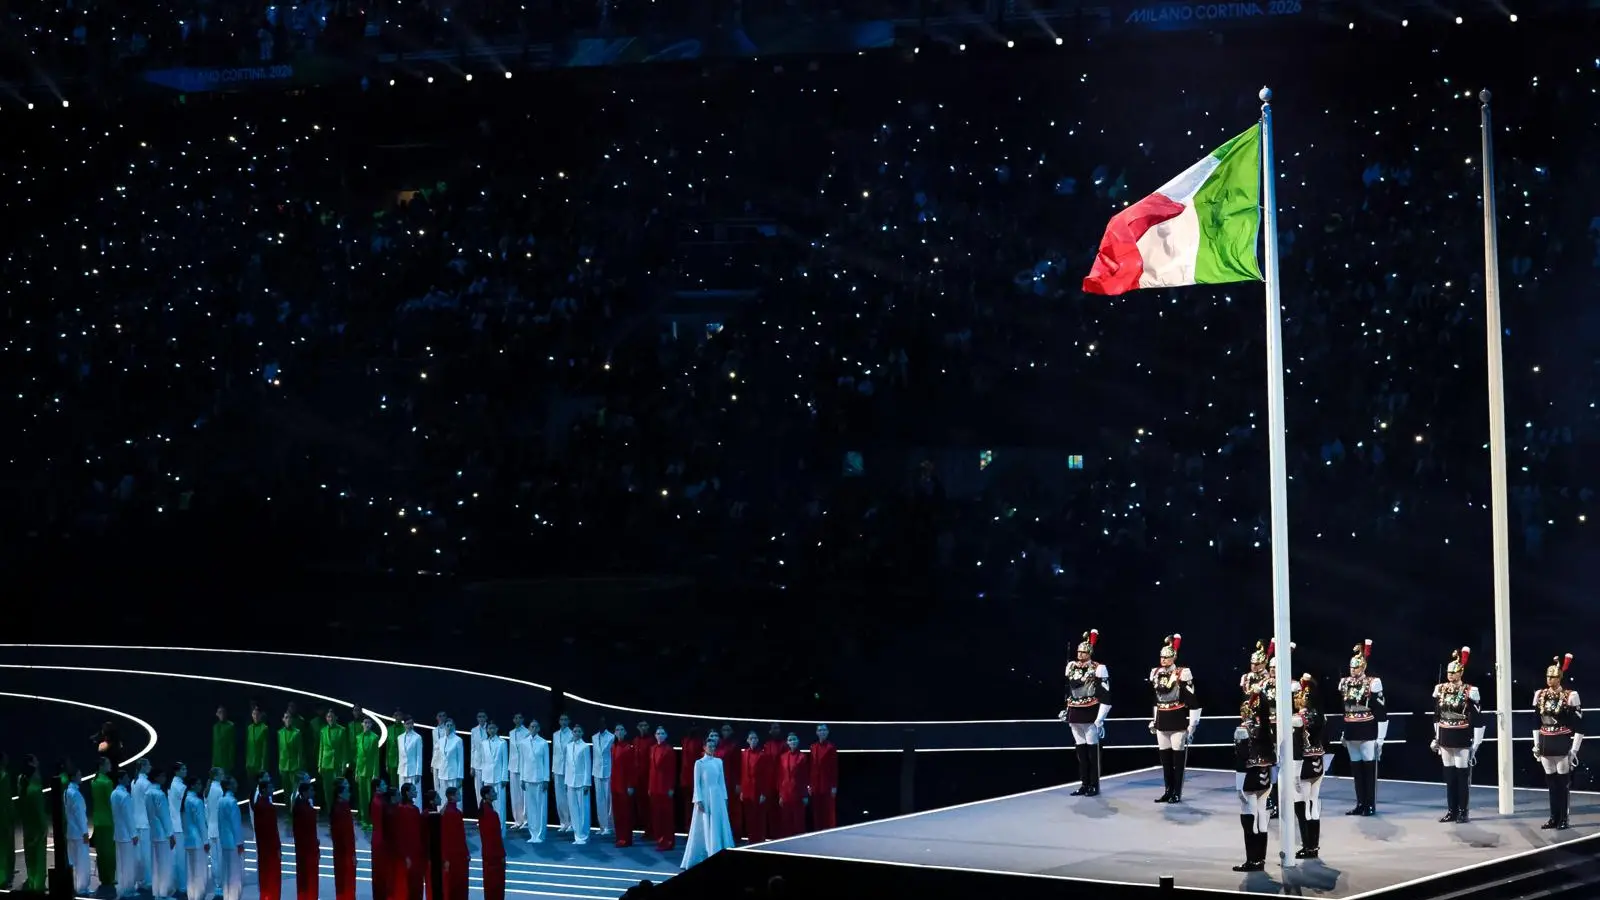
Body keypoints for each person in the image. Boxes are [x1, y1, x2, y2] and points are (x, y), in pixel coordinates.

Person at [1432, 646, 1485, 823]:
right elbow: (1436, 716)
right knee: (1449, 776)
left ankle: (1463, 811)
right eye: (1449, 672)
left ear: (1460, 672)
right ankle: (1451, 810)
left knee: (1462, 776)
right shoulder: (1440, 689)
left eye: (1454, 672)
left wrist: (1476, 744)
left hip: (1462, 736)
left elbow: (1478, 719)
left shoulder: (1470, 691)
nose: (1450, 675)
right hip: (1445, 736)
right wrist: (1437, 738)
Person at [1058, 630, 1112, 798]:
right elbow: (1070, 690)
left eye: (1083, 652)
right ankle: (1084, 783)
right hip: (1075, 711)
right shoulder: (1071, 666)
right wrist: (1066, 710)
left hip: (1090, 711)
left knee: (1092, 751)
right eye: (1079, 651)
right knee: (1080, 751)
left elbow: (1106, 696)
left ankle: (1094, 785)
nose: (1080, 654)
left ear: (1089, 652)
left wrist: (1100, 719)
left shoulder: (1098, 668)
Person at [1148, 634, 1200, 803]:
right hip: (1162, 719)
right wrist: (1154, 720)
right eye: (1161, 657)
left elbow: (1193, 702)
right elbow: (1156, 700)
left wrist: (1192, 725)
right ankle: (1167, 790)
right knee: (1165, 760)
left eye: (1167, 657)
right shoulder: (1155, 673)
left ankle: (1177, 792)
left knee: (1178, 761)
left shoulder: (1182, 673)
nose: (1163, 660)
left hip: (1177, 719)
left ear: (1173, 657)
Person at [1534, 653, 1582, 830]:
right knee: (1551, 783)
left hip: (1562, 741)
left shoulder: (1570, 695)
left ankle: (1563, 818)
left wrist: (1574, 750)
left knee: (1562, 783)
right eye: (1547, 676)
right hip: (1546, 740)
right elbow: (1535, 722)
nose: (1549, 679)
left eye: (1552, 676)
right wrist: (1536, 743)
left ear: (1559, 677)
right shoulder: (1540, 695)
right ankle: (1553, 817)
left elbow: (1579, 726)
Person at [1340, 639, 1387, 816]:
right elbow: (1343, 708)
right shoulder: (1344, 683)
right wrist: (1344, 732)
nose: (1353, 670)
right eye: (1351, 667)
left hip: (1367, 729)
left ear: (1363, 667)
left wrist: (1381, 738)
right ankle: (1360, 803)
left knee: (1368, 768)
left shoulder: (1373, 683)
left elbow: (1381, 711)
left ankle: (1370, 804)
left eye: (1356, 667)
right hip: (1351, 730)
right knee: (1356, 770)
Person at [1232, 691, 1274, 873]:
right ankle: (1260, 860)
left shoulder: (1243, 730)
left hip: (1249, 779)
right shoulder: (1267, 727)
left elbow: (1241, 759)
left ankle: (1252, 860)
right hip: (1265, 776)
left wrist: (1238, 786)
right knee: (1262, 818)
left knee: (1249, 818)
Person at [681, 734, 735, 870]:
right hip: (705, 796)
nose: (711, 748)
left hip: (717, 797)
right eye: (709, 746)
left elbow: (721, 782)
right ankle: (706, 853)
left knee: (718, 823)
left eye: (713, 746)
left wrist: (725, 797)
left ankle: (718, 851)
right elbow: (697, 783)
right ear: (704, 747)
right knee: (705, 824)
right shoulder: (699, 763)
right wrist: (698, 799)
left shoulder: (719, 762)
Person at [1292, 674, 1329, 859]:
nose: (1296, 698)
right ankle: (1313, 846)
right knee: (1313, 803)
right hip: (1318, 761)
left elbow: (1296, 746)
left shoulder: (1298, 719)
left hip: (1303, 765)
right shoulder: (1321, 715)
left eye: (1299, 695)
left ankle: (1308, 846)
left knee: (1302, 805)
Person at [738, 730, 773, 843]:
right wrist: (742, 791)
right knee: (749, 817)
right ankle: (751, 839)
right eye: (751, 738)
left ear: (758, 740)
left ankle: (760, 839)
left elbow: (767, 775)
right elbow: (742, 772)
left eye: (755, 738)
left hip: (759, 790)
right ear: (748, 740)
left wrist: (764, 792)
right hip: (747, 790)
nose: (753, 740)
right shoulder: (744, 754)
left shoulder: (763, 755)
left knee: (760, 817)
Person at [146, 768, 175, 898]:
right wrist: (170, 834)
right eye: (162, 775)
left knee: (156, 865)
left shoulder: (148, 792)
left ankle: (157, 892)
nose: (164, 778)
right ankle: (163, 893)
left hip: (153, 832)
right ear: (156, 777)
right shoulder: (159, 794)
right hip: (163, 834)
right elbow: (164, 816)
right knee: (164, 865)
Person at [521, 718, 551, 843]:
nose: (533, 729)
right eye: (531, 726)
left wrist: (546, 779)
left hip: (539, 778)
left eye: (535, 727)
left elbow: (546, 762)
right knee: (531, 807)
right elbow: (522, 762)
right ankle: (532, 834)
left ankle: (540, 834)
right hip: (528, 778)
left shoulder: (543, 743)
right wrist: (522, 778)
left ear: (538, 729)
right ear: (529, 728)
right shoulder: (523, 743)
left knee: (540, 807)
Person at [18, 758, 47, 891]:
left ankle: (32, 882)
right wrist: (44, 828)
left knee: (30, 858)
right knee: (39, 858)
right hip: (37, 829)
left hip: (27, 827)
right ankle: (39, 886)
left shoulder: (22, 784)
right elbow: (40, 811)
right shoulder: (35, 789)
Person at [390, 785, 423, 900]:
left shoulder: (414, 809)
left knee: (416, 882)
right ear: (407, 793)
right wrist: (405, 855)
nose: (416, 792)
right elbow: (399, 833)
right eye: (413, 790)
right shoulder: (402, 810)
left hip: (416, 850)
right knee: (408, 883)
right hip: (408, 851)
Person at [253, 775, 282, 900]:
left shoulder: (263, 804)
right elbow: (271, 829)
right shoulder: (265, 806)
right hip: (268, 847)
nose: (273, 789)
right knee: (270, 875)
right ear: (264, 789)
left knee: (267, 875)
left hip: (265, 846)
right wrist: (277, 846)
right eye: (270, 787)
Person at [648, 726, 677, 850]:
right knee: (657, 815)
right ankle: (660, 840)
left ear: (666, 735)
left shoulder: (669, 750)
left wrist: (671, 787)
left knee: (667, 816)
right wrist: (650, 786)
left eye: (662, 733)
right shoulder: (652, 748)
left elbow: (672, 770)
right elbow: (651, 769)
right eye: (658, 733)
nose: (660, 735)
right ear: (655, 735)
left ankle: (668, 841)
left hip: (665, 787)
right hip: (654, 786)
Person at [111, 768, 139, 898]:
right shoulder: (125, 796)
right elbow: (128, 817)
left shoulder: (114, 794)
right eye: (126, 777)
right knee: (128, 864)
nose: (128, 779)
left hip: (118, 833)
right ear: (120, 779)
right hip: (127, 835)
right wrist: (133, 834)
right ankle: (128, 890)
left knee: (121, 863)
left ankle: (121, 888)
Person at [564, 724, 594, 844]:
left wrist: (587, 783)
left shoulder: (585, 746)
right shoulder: (569, 746)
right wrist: (566, 781)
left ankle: (584, 835)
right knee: (573, 809)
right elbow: (567, 765)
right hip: (571, 781)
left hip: (582, 782)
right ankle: (577, 834)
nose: (576, 733)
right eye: (575, 731)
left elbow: (588, 765)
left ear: (582, 733)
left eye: (579, 731)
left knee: (583, 810)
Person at [776, 734, 810, 838]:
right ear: (787, 742)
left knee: (798, 821)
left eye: (794, 739)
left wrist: (805, 794)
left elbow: (806, 776)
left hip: (798, 793)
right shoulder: (782, 757)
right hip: (786, 793)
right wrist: (781, 795)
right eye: (790, 740)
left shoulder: (803, 756)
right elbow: (781, 776)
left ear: (798, 741)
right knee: (786, 821)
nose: (792, 742)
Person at [92, 757, 118, 890]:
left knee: (101, 850)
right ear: (102, 765)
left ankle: (103, 877)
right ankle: (110, 877)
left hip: (97, 820)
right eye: (108, 763)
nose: (110, 765)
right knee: (109, 851)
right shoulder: (107, 782)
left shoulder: (94, 781)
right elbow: (111, 803)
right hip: (108, 820)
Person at [182, 776, 210, 900]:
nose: (200, 786)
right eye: (198, 783)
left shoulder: (185, 800)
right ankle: (199, 896)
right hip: (198, 840)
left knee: (191, 871)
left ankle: (192, 896)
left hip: (188, 839)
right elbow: (201, 824)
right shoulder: (196, 802)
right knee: (200, 871)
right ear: (192, 786)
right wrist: (206, 841)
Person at [609, 724, 637, 847]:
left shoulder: (628, 747)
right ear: (614, 733)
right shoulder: (613, 747)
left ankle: (626, 838)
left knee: (625, 813)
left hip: (625, 785)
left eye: (621, 729)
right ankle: (619, 837)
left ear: (625, 732)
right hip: (615, 784)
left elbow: (632, 768)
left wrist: (631, 785)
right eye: (617, 730)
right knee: (617, 813)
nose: (619, 732)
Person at [292, 781, 320, 900]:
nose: (313, 792)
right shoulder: (300, 807)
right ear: (304, 792)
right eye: (311, 790)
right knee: (307, 875)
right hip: (306, 847)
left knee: (309, 876)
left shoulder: (306, 803)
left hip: (309, 844)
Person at [65, 767, 91, 893]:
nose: (81, 775)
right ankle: (81, 887)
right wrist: (85, 832)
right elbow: (80, 815)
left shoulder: (66, 792)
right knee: (82, 861)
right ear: (73, 776)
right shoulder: (75, 794)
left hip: (71, 831)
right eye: (79, 773)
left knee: (73, 861)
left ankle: (75, 885)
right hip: (79, 833)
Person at [217, 778, 244, 900]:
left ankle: (227, 896)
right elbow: (235, 824)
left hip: (224, 841)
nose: (237, 784)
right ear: (228, 786)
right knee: (235, 873)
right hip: (233, 842)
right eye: (234, 782)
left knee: (227, 872)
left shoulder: (221, 801)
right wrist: (239, 843)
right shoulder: (232, 802)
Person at [808, 724, 839, 829]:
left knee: (828, 811)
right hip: (815, 784)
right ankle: (818, 832)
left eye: (824, 730)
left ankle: (830, 832)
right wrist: (810, 785)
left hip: (827, 783)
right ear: (817, 732)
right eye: (820, 730)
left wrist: (834, 786)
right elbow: (811, 767)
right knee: (817, 811)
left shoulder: (831, 747)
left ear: (827, 732)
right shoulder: (813, 747)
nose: (822, 732)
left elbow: (834, 767)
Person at [440, 787, 469, 900]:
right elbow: (456, 836)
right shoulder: (453, 813)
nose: (460, 795)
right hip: (456, 855)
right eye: (458, 793)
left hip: (455, 854)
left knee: (454, 885)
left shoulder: (449, 812)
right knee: (457, 885)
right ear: (452, 796)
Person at [714, 725, 742, 838]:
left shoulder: (734, 745)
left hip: (731, 781)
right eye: (724, 729)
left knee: (733, 809)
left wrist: (738, 783)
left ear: (732, 731)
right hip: (719, 782)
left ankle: (735, 835)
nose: (725, 732)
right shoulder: (717, 745)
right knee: (721, 808)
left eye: (728, 730)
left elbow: (738, 765)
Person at [481, 721, 509, 834]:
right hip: (487, 777)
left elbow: (504, 761)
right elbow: (483, 761)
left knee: (500, 805)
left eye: (493, 728)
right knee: (488, 805)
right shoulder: (484, 743)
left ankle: (501, 830)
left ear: (497, 729)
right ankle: (490, 829)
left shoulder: (502, 743)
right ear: (487, 730)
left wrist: (504, 778)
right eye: (490, 728)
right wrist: (483, 777)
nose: (491, 730)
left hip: (498, 778)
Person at [353, 717, 381, 830]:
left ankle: (371, 820)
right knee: (362, 797)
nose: (367, 724)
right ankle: (364, 819)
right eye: (365, 722)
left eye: (369, 723)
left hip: (370, 771)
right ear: (362, 724)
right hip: (360, 770)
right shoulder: (358, 737)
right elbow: (358, 756)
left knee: (371, 797)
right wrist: (356, 772)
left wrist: (375, 773)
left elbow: (376, 756)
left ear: (372, 724)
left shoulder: (375, 737)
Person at [479, 786, 506, 900]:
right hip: (494, 855)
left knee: (490, 885)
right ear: (487, 796)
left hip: (487, 853)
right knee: (496, 886)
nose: (495, 793)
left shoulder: (484, 811)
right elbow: (495, 838)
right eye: (493, 792)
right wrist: (502, 854)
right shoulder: (491, 814)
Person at [331, 779, 356, 900]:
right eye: (347, 791)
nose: (349, 793)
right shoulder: (342, 808)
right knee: (346, 880)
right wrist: (351, 854)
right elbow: (345, 834)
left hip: (340, 851)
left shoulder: (338, 807)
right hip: (345, 852)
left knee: (342, 880)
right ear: (340, 793)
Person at [131, 758, 153, 889]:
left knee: (139, 854)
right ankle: (147, 880)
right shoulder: (146, 783)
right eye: (148, 764)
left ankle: (140, 879)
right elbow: (149, 805)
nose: (150, 766)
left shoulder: (134, 782)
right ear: (143, 767)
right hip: (145, 823)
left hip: (136, 822)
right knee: (146, 854)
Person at [318, 710, 346, 812]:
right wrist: (319, 765)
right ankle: (330, 812)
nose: (330, 718)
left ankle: (338, 811)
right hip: (326, 764)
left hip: (337, 763)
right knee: (327, 790)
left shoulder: (342, 730)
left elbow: (344, 748)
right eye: (328, 716)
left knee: (338, 789)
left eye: (332, 716)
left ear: (336, 718)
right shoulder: (323, 730)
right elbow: (321, 748)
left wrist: (344, 764)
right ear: (326, 718)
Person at [631, 721, 655, 841]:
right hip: (638, 778)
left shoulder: (652, 741)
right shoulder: (635, 741)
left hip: (649, 777)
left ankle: (653, 830)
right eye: (641, 726)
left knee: (651, 805)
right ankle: (647, 829)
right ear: (637, 727)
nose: (643, 728)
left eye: (645, 725)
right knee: (641, 806)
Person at [592, 719, 616, 837]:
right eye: (599, 723)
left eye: (602, 723)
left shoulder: (611, 737)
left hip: (608, 770)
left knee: (608, 800)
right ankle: (602, 826)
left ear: (605, 724)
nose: (600, 725)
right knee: (599, 800)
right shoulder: (594, 737)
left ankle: (609, 826)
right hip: (596, 771)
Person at [168, 764, 190, 890]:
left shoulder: (172, 784)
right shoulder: (182, 787)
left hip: (173, 824)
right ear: (176, 771)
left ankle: (176, 885)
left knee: (175, 857)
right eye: (183, 769)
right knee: (181, 859)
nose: (185, 770)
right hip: (180, 825)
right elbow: (184, 808)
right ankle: (182, 887)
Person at [552, 713, 575, 833]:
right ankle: (563, 822)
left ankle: (571, 822)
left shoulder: (573, 734)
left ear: (569, 721)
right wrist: (552, 769)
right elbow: (555, 753)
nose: (563, 721)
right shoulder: (555, 735)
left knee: (569, 796)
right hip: (557, 769)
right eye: (561, 719)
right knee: (560, 797)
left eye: (566, 719)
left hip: (568, 769)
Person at [507, 714, 531, 828]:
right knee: (515, 794)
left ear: (523, 719)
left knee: (524, 794)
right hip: (513, 765)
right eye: (515, 718)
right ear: (513, 720)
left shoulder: (527, 732)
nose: (517, 720)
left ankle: (526, 819)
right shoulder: (511, 732)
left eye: (520, 718)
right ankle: (517, 820)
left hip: (523, 765)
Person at [679, 728, 705, 832]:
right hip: (686, 778)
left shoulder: (700, 741)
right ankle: (689, 829)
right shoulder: (685, 741)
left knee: (699, 805)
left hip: (697, 778)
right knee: (687, 806)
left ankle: (698, 831)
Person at [368, 778, 389, 900]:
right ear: (377, 788)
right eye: (383, 784)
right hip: (381, 839)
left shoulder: (378, 801)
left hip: (377, 837)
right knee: (381, 872)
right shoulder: (379, 803)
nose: (385, 785)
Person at [205, 767, 226, 894]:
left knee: (214, 858)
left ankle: (217, 883)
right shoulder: (219, 790)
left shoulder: (207, 790)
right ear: (216, 776)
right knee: (221, 857)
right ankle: (221, 883)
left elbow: (206, 811)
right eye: (221, 773)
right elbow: (221, 811)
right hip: (219, 828)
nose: (223, 775)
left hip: (211, 828)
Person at [278, 713, 304, 805]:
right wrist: (280, 765)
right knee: (286, 791)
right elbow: (280, 751)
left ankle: (294, 811)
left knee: (294, 791)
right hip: (284, 766)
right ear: (283, 719)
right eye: (286, 717)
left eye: (289, 717)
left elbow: (299, 752)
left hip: (294, 767)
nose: (288, 719)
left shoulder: (297, 732)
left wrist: (299, 767)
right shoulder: (280, 733)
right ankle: (288, 813)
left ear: (292, 720)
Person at [438, 719, 466, 808]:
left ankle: (457, 816)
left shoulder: (458, 740)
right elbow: (439, 757)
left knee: (455, 798)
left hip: (454, 774)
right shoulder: (441, 740)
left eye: (451, 725)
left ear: (453, 726)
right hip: (442, 772)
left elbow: (460, 759)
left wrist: (460, 777)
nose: (449, 727)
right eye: (447, 725)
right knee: (443, 796)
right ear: (444, 727)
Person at [397, 716, 425, 795]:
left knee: (415, 794)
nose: (409, 725)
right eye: (407, 723)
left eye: (411, 723)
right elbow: (400, 755)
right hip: (402, 770)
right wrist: (399, 769)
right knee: (402, 792)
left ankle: (416, 807)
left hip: (413, 771)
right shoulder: (400, 738)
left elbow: (419, 756)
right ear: (404, 725)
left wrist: (418, 773)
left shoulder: (417, 737)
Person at [470, 711, 491, 812]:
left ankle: (490, 812)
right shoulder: (474, 730)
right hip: (477, 763)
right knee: (478, 790)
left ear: (486, 717)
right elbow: (473, 749)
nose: (481, 718)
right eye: (479, 717)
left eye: (483, 716)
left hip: (489, 763)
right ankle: (481, 813)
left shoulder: (490, 728)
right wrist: (472, 766)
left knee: (488, 789)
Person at [245, 707, 271, 788]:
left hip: (259, 763)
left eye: (257, 714)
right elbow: (248, 746)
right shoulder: (249, 728)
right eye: (254, 714)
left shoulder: (264, 728)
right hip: (250, 763)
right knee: (251, 786)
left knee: (261, 786)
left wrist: (263, 765)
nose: (255, 716)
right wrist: (247, 762)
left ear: (260, 716)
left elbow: (265, 748)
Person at [213, 708, 237, 778]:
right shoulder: (215, 727)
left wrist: (231, 761)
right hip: (217, 760)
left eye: (223, 712)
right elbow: (215, 745)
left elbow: (232, 744)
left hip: (226, 760)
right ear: (217, 714)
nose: (222, 714)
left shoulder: (230, 725)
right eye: (220, 712)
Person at [0, 754, 12, 890]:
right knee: (4, 849)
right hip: (3, 817)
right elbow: (6, 800)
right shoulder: (4, 777)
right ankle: (3, 878)